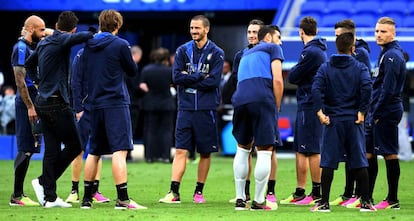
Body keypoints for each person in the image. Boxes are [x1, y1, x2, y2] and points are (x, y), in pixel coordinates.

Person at [25, 11, 94, 208]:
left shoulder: (45, 42)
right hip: (56, 102)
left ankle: (50, 197)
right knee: (75, 145)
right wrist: (91, 32)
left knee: (52, 150)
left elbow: (29, 64)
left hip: (42, 101)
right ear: (72, 29)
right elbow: (83, 37)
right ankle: (44, 182)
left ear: (56, 24)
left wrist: (38, 82)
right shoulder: (62, 39)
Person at [79, 9, 146, 210]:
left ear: (100, 23)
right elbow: (132, 70)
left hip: (95, 103)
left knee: (94, 152)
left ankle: (86, 199)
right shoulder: (121, 44)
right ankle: (123, 199)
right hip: (116, 103)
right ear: (118, 25)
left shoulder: (89, 44)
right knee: (120, 151)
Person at [159, 14, 224, 204]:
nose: (194, 31)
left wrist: (190, 77)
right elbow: (177, 78)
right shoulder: (182, 51)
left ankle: (199, 192)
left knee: (205, 152)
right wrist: (199, 77)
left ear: (206, 29)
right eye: (191, 28)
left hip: (206, 109)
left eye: (197, 28)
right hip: (185, 108)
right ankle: (174, 192)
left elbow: (214, 81)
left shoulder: (217, 52)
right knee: (180, 151)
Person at [310, 32, 376, 212]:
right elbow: (367, 88)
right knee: (359, 161)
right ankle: (365, 202)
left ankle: (324, 203)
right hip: (354, 120)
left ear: (337, 48)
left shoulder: (325, 67)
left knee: (328, 162)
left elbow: (315, 89)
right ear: (353, 48)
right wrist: (362, 111)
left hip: (333, 120)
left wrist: (320, 112)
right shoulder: (360, 68)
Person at [232, 24, 284, 211]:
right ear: (269, 37)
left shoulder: (245, 54)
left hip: (240, 100)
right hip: (262, 99)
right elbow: (277, 79)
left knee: (243, 149)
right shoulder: (273, 48)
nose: (280, 41)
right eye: (278, 37)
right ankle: (259, 201)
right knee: (265, 150)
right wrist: (276, 106)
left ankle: (239, 199)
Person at [282, 16, 327, 205]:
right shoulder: (316, 50)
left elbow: (293, 76)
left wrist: (297, 72)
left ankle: (316, 192)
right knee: (302, 149)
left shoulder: (311, 51)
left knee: (311, 150)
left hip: (310, 104)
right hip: (307, 103)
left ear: (301, 31)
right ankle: (301, 191)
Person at [330, 19, 373, 208]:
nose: (336, 39)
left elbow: (365, 83)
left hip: (355, 113)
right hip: (347, 112)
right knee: (351, 154)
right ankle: (349, 193)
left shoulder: (360, 54)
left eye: (338, 36)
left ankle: (359, 195)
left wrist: (361, 110)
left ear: (350, 36)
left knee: (358, 154)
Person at [9, 15, 50, 206]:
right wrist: (30, 107)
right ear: (31, 29)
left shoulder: (30, 46)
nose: (44, 33)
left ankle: (19, 194)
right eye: (41, 30)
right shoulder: (21, 48)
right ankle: (17, 196)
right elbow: (20, 80)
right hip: (27, 105)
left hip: (34, 102)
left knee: (30, 149)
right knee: (25, 149)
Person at [368, 17, 405, 210]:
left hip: (387, 110)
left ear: (393, 33)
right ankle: (368, 196)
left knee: (389, 153)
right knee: (376, 152)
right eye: (377, 31)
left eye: (383, 31)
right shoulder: (386, 53)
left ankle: (392, 200)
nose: (379, 35)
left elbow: (388, 89)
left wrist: (376, 110)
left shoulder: (392, 56)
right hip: (384, 108)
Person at [65, 47, 110, 204]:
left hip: (100, 107)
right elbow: (75, 81)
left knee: (98, 148)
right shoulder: (82, 54)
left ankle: (94, 191)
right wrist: (78, 108)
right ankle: (74, 190)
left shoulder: (105, 53)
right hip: (84, 109)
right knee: (79, 148)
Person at [227, 19, 264, 204]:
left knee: (265, 151)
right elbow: (234, 80)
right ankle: (244, 195)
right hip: (246, 106)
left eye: (255, 32)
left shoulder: (267, 52)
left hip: (259, 105)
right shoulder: (240, 55)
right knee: (245, 148)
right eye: (249, 32)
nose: (251, 35)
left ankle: (268, 193)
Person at [139, 47, 175, 163]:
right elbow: (174, 85)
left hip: (150, 103)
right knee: (166, 130)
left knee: (150, 130)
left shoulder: (146, 70)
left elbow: (142, 86)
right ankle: (165, 156)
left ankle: (150, 156)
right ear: (166, 58)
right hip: (166, 103)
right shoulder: (170, 70)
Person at [126, 45, 143, 161]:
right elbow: (135, 87)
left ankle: (125, 153)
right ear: (136, 55)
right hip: (133, 103)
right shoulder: (132, 69)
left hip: (124, 102)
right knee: (130, 129)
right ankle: (127, 153)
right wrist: (143, 89)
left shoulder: (122, 67)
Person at [397, 52, 412, 162]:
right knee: (401, 129)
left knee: (401, 129)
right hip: (404, 104)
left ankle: (405, 153)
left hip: (400, 104)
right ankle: (404, 152)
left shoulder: (401, 73)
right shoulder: (407, 73)